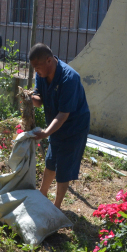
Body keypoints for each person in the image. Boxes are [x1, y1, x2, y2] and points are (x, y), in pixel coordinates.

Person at [30, 43, 90, 209]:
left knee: (63, 168)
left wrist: (46, 132)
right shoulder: (41, 75)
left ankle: (56, 207)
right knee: (51, 161)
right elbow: (39, 99)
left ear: (49, 60)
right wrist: (31, 98)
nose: (36, 71)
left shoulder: (69, 78)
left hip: (73, 127)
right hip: (55, 125)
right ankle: (41, 195)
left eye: (37, 66)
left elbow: (64, 115)